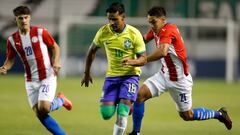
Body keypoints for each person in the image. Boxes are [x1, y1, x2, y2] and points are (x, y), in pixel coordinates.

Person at [128, 6, 232, 135]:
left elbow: (163, 51)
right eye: (150, 22)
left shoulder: (169, 30)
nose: (152, 25)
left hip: (180, 80)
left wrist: (143, 60)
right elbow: (142, 39)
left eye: (154, 22)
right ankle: (135, 132)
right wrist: (127, 45)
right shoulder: (156, 30)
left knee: (187, 115)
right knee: (139, 95)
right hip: (163, 76)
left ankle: (219, 114)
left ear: (163, 19)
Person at [0, 6, 72, 135]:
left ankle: (61, 100)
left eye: (26, 17)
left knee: (44, 107)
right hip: (30, 80)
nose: (23, 20)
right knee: (40, 114)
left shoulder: (40, 32)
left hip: (47, 76)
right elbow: (10, 59)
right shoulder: (12, 40)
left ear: (30, 17)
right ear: (15, 19)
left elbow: (55, 47)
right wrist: (5, 67)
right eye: (20, 18)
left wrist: (55, 62)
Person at [81, 2, 147, 135]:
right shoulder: (103, 31)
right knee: (106, 114)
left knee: (122, 114)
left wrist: (131, 62)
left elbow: (143, 59)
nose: (111, 22)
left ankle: (126, 103)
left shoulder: (134, 33)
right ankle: (127, 103)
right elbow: (92, 51)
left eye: (115, 19)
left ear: (123, 17)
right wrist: (87, 73)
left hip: (130, 76)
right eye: (109, 19)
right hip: (111, 77)